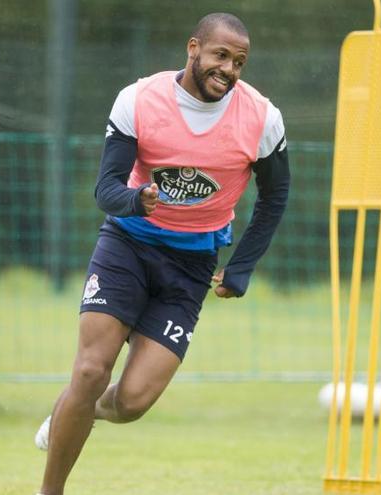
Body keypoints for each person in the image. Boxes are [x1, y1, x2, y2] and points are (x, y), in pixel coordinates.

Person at [34, 12, 290, 495]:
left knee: (131, 402)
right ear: (193, 48)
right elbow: (106, 187)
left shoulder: (262, 117)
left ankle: (71, 413)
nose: (229, 69)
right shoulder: (139, 99)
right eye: (220, 55)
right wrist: (137, 200)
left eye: (239, 61)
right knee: (90, 371)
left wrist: (241, 267)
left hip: (191, 266)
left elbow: (276, 197)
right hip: (128, 244)